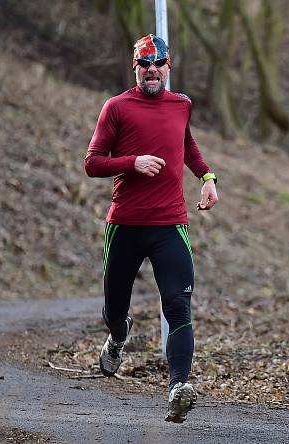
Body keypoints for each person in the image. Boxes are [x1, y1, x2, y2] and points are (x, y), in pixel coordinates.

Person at [84, 34, 218, 423]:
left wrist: (207, 177)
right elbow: (92, 163)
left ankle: (178, 387)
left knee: (178, 304)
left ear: (169, 65)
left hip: (169, 223)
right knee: (114, 309)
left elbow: (187, 145)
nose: (152, 71)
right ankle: (119, 333)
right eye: (145, 65)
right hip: (125, 224)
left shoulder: (182, 105)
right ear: (135, 68)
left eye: (158, 64)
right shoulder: (117, 108)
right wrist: (132, 162)